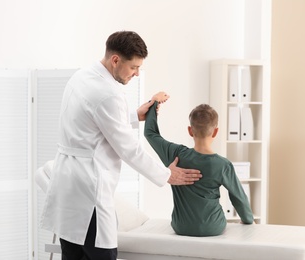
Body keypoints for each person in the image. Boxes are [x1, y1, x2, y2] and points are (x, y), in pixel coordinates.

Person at [39, 31, 202, 260]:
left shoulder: (82, 76)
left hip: (68, 185)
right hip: (89, 191)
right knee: (103, 254)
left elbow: (92, 122)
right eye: (133, 67)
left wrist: (134, 116)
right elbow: (129, 149)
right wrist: (167, 175)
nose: (136, 74)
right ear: (115, 60)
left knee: (72, 255)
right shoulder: (108, 94)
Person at [144, 99, 254, 237]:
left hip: (181, 226)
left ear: (190, 130)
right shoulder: (223, 164)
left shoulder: (175, 155)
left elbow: (150, 134)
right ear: (215, 132)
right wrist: (248, 221)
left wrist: (153, 105)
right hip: (213, 227)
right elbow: (239, 198)